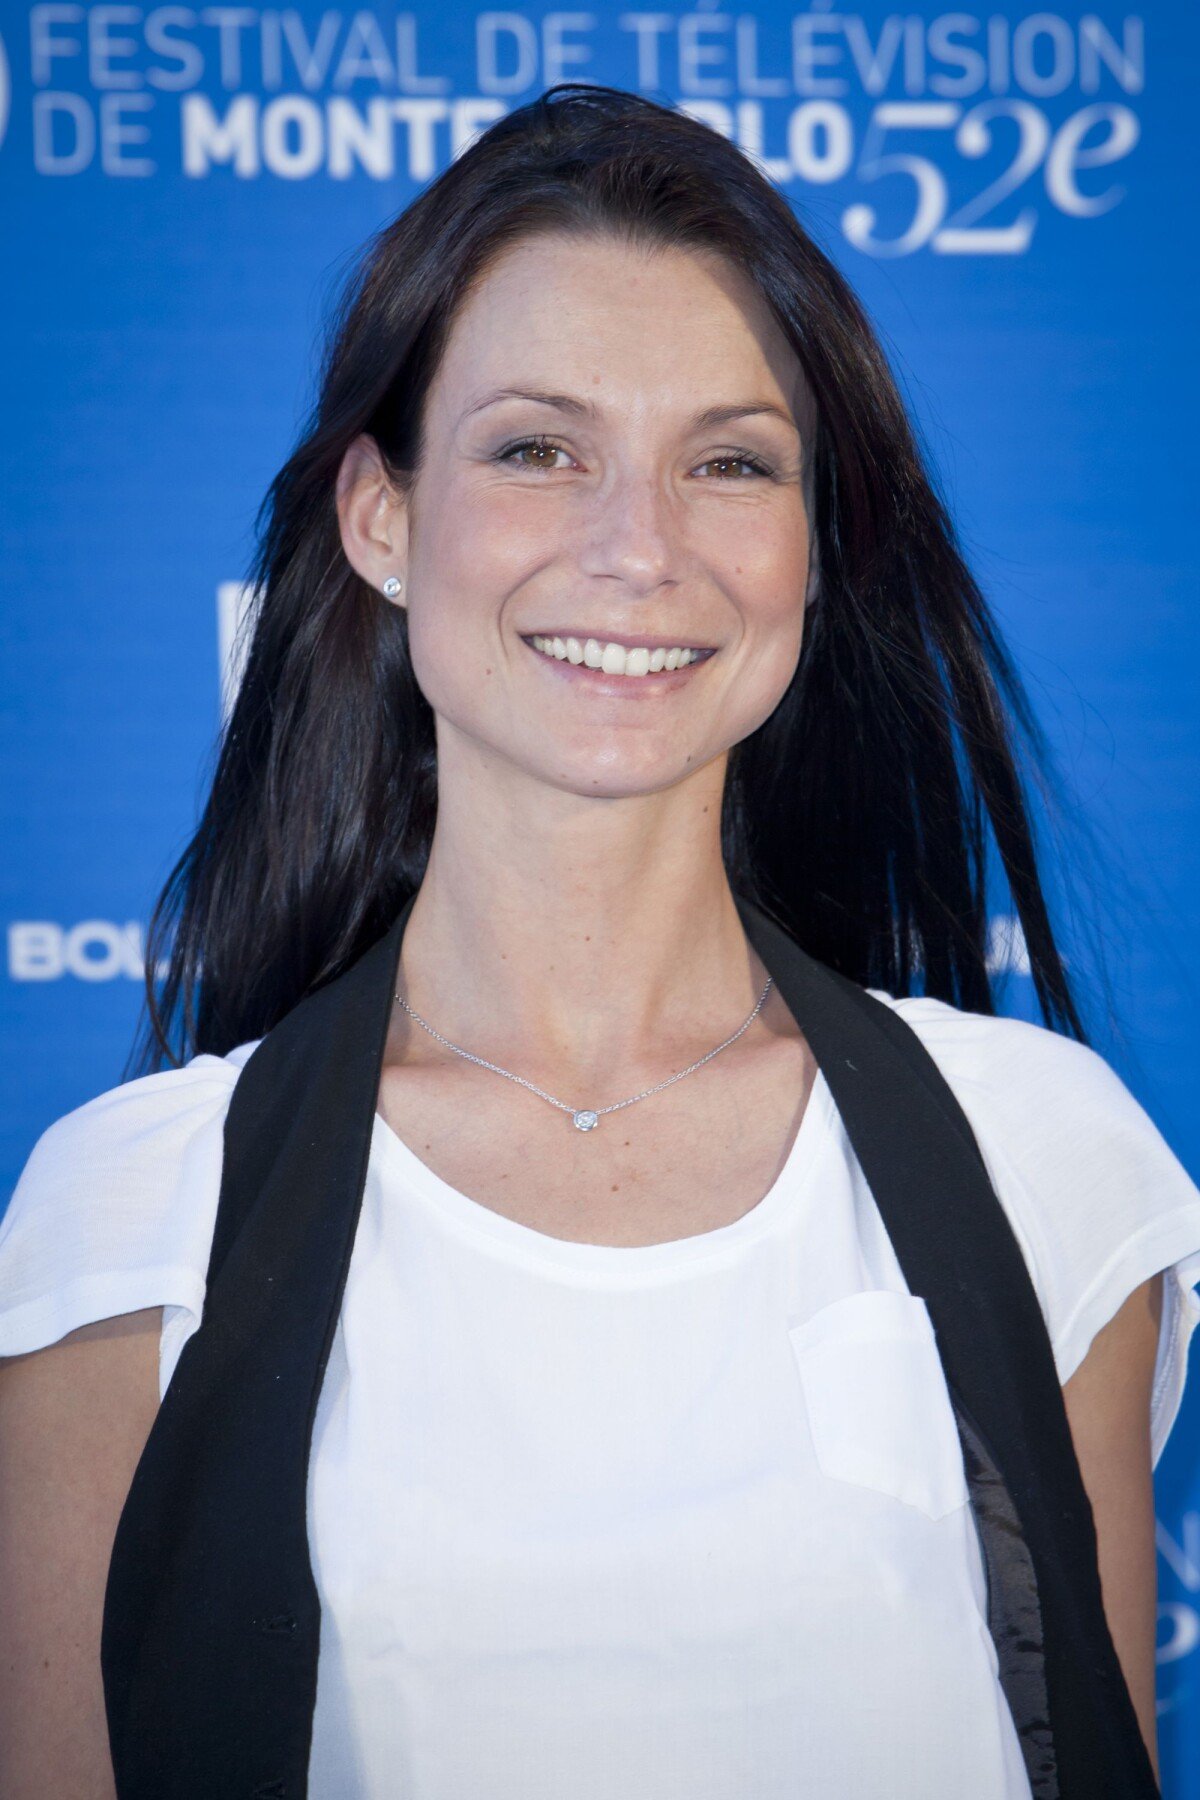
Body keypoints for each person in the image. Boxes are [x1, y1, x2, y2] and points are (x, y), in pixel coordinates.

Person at [1, 81, 1198, 1800]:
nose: (640, 549)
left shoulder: (1043, 1165)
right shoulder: (128, 1225)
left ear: (811, 549)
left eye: (729, 463)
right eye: (536, 448)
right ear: (381, 519)